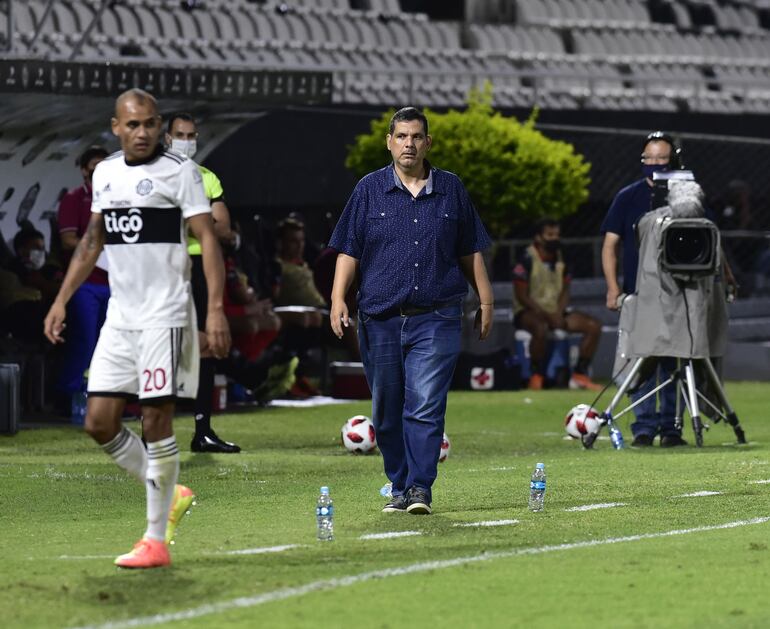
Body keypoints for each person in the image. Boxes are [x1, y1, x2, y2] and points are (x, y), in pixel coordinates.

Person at [44, 88, 230, 569]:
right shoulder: (105, 173)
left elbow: (208, 240)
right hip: (121, 318)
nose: (142, 132)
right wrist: (61, 300)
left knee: (155, 419)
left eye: (149, 123)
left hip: (165, 316)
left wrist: (214, 311)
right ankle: (169, 489)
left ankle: (155, 540)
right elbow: (90, 241)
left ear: (159, 124)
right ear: (116, 127)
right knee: (98, 421)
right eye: (133, 125)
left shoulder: (180, 172)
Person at [328, 107, 493, 515]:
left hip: (436, 317)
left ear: (428, 143)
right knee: (386, 411)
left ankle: (419, 488)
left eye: (416, 136)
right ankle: (398, 484)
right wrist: (337, 299)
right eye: (401, 136)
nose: (408, 144)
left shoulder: (451, 189)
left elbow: (470, 249)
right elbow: (349, 249)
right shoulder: (368, 190)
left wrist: (486, 300)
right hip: (380, 318)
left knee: (424, 405)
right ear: (389, 142)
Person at [600, 131, 683, 448]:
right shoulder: (628, 196)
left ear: (672, 160)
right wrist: (612, 287)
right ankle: (644, 425)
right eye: (649, 158)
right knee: (640, 360)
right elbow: (610, 244)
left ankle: (672, 426)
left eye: (661, 158)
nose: (655, 164)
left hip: (679, 294)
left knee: (673, 361)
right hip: (640, 292)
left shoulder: (685, 195)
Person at [165, 112, 240, 453]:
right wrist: (202, 218)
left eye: (191, 134)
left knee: (207, 345)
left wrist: (190, 218)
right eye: (180, 134)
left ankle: (202, 430)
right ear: (167, 138)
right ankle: (152, 428)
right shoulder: (157, 174)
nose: (186, 140)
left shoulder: (207, 177)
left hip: (200, 263)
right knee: (162, 342)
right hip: (166, 263)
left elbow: (222, 229)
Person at [513, 218, 602, 391]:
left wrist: (559, 312)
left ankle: (580, 374)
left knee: (593, 326)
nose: (554, 238)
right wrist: (547, 315)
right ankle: (536, 375)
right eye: (550, 235)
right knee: (540, 327)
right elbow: (521, 295)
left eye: (557, 235)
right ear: (539, 237)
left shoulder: (563, 257)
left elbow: (565, 290)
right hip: (529, 311)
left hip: (556, 310)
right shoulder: (526, 259)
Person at [56, 146, 110, 413]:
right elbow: (67, 239)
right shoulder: (74, 199)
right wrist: (95, 249)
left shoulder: (117, 197)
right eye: (94, 166)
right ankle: (70, 396)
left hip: (114, 283)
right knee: (85, 341)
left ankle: (108, 399)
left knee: (109, 344)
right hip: (85, 284)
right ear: (83, 170)